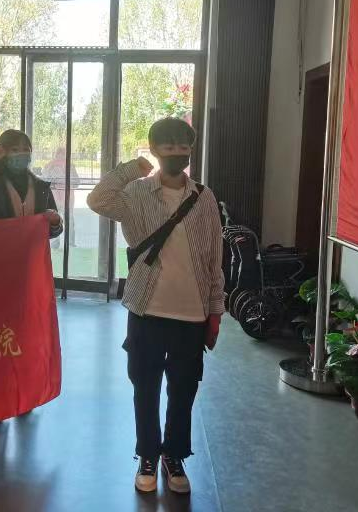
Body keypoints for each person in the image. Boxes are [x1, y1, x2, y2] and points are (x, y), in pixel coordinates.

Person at [87, 117, 224, 495]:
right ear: (154, 149)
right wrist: (131, 168)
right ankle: (147, 454)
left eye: (183, 145)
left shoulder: (204, 198)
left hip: (191, 311)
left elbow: (214, 257)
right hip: (147, 308)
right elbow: (97, 199)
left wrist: (215, 309)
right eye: (168, 145)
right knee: (144, 386)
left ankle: (174, 455)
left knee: (183, 389)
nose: (177, 152)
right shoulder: (136, 193)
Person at [0, 129, 63, 237]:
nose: (21, 154)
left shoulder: (41, 187)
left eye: (26, 149)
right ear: (4, 154)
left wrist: (55, 222)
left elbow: (53, 231)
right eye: (15, 150)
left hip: (32, 248)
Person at [40, 147, 80, 247]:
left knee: (57, 219)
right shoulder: (69, 165)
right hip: (66, 198)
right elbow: (77, 182)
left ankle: (57, 243)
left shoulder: (50, 165)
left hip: (58, 198)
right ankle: (70, 243)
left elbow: (44, 180)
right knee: (68, 220)